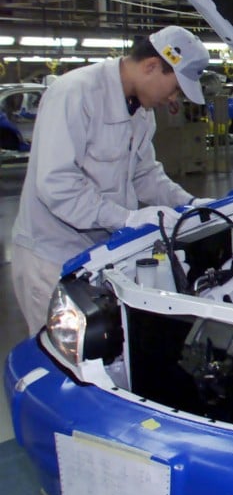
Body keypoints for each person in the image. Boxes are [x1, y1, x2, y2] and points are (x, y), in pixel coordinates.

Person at [11, 26, 216, 335]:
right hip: (51, 256)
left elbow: (145, 175)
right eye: (174, 87)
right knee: (63, 351)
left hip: (99, 252)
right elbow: (57, 184)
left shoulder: (141, 111)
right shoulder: (75, 93)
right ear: (151, 66)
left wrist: (188, 204)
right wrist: (127, 218)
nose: (173, 98)